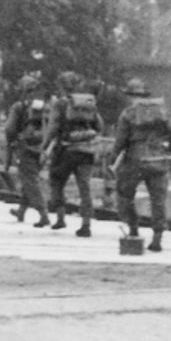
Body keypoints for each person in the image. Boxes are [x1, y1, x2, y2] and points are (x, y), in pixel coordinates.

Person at [111, 78, 171, 251]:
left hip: (135, 160)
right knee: (158, 201)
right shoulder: (161, 112)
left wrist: (113, 158)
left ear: (130, 95)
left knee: (125, 195)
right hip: (159, 160)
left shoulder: (128, 113)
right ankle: (157, 238)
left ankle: (133, 228)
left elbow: (120, 141)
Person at [45, 71, 103, 237]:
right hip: (86, 151)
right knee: (85, 188)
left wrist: (45, 146)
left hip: (66, 150)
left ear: (61, 86)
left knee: (56, 181)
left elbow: (53, 127)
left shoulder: (60, 104)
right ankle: (86, 224)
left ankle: (61, 218)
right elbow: (99, 126)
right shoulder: (89, 102)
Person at [3, 75, 50, 228]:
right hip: (42, 149)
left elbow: (9, 128)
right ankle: (21, 211)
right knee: (29, 178)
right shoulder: (46, 106)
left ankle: (43, 214)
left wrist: (12, 141)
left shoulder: (19, 107)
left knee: (30, 181)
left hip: (25, 148)